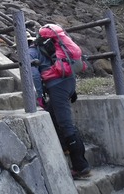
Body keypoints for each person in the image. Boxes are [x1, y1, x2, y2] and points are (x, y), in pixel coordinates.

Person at [28, 31, 91, 179]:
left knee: (66, 124)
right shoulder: (52, 46)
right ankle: (64, 147)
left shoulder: (31, 52)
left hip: (57, 87)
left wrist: (39, 96)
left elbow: (34, 75)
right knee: (51, 113)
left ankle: (81, 166)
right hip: (68, 82)